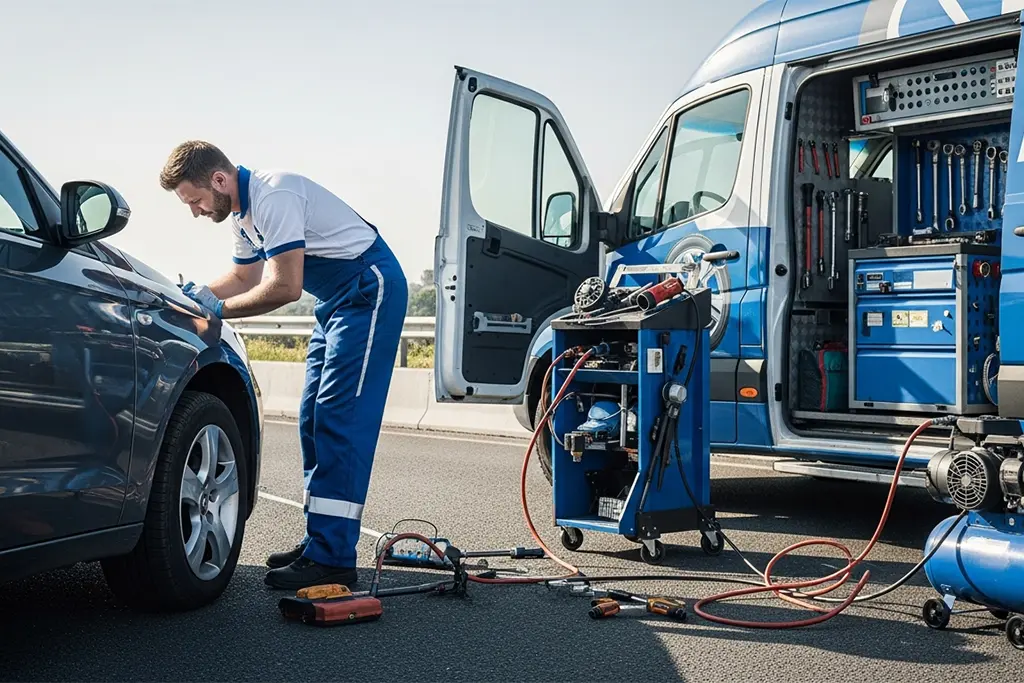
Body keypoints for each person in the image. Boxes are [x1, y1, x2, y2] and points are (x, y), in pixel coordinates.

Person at [159, 141, 408, 590]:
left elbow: (286, 286)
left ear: (218, 180)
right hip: (336, 302)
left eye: (194, 200)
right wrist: (185, 299)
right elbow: (242, 278)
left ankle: (334, 557)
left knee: (340, 418)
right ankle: (320, 541)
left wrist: (217, 311)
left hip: (369, 290)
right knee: (312, 417)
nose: (195, 212)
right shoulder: (242, 215)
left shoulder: (275, 195)